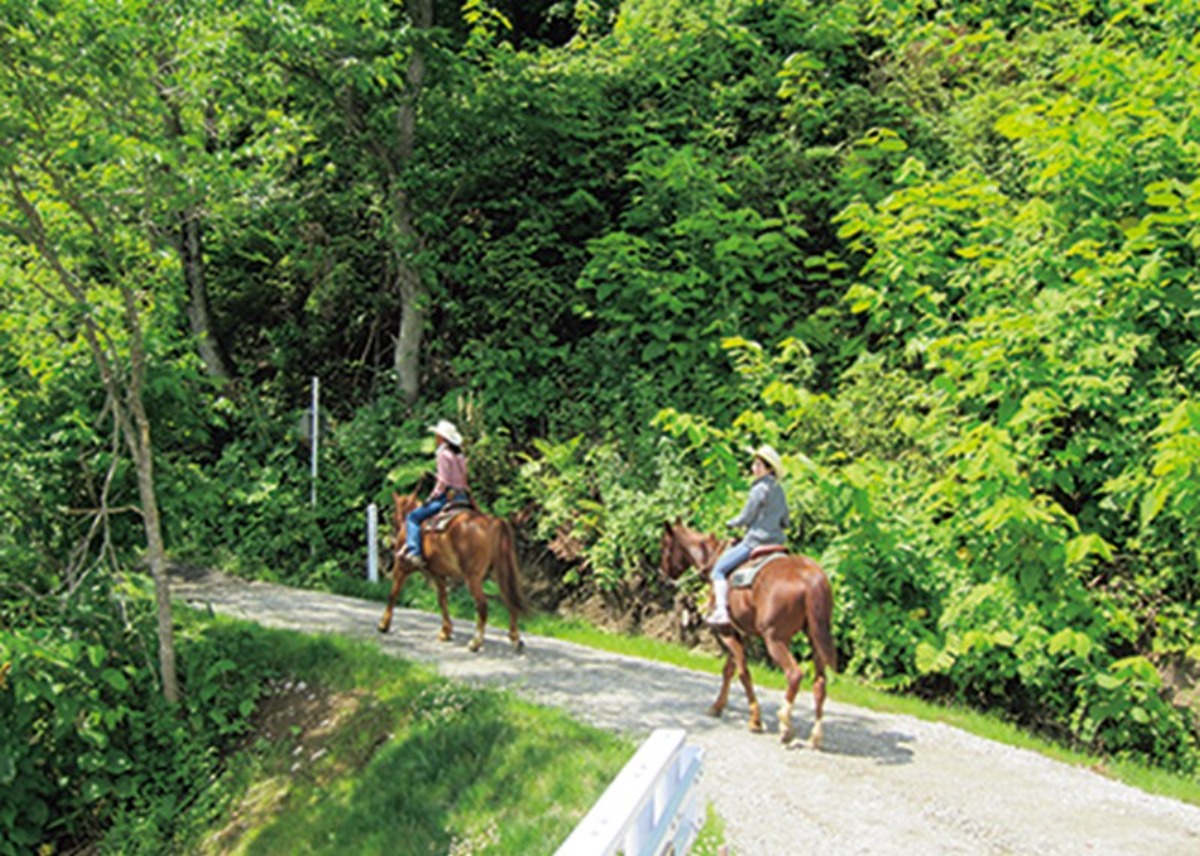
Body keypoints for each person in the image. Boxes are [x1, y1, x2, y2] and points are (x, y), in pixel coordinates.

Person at [706, 444, 789, 626]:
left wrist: (731, 523)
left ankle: (721, 611)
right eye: (754, 464)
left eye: (758, 465)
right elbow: (786, 520)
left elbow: (747, 516)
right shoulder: (779, 489)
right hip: (777, 542)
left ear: (768, 468)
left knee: (718, 570)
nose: (754, 468)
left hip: (755, 541)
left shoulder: (759, 489)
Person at [402, 419, 471, 568]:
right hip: (463, 496)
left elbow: (443, 482)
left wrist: (432, 496)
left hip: (447, 497)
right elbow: (463, 477)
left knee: (412, 517)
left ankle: (414, 553)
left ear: (441, 438)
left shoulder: (443, 455)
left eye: (437, 435)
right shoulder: (459, 456)